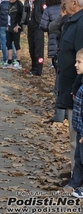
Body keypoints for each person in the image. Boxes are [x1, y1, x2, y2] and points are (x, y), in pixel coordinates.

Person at [56, 0, 83, 174]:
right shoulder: (73, 21)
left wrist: (76, 88)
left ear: (75, 2)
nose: (63, 1)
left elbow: (82, 59)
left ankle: (76, 181)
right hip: (70, 88)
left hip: (77, 92)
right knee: (73, 137)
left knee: (77, 138)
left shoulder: (81, 25)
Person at [40, 0, 64, 123]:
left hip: (54, 43)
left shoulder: (48, 11)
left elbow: (43, 26)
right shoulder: (62, 10)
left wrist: (51, 26)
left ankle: (60, 111)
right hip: (64, 44)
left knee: (59, 78)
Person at [64, 48, 83, 198]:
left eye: (79, 62)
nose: (75, 65)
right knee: (78, 159)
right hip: (79, 130)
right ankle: (75, 183)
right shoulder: (81, 82)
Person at [22, 0, 45, 76]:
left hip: (39, 26)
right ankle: (34, 66)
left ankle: (38, 69)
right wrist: (22, 23)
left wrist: (44, 24)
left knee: (39, 49)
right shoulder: (27, 0)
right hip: (30, 25)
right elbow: (25, 12)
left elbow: (45, 12)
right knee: (32, 48)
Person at [3, 0, 24, 70]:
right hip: (9, 27)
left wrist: (18, 25)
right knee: (8, 44)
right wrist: (7, 25)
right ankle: (9, 61)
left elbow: (23, 16)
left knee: (16, 44)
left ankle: (18, 62)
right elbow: (8, 16)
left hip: (16, 27)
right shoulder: (9, 4)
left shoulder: (19, 5)